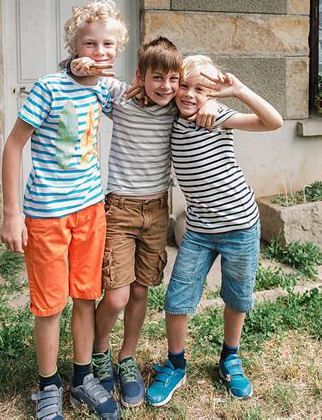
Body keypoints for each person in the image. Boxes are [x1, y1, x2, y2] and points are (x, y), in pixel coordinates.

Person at [69, 37, 217, 409]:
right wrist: (74, 64)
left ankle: (127, 358)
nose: (166, 86)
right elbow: (80, 76)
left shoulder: (175, 108)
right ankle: (100, 352)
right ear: (140, 76)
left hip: (156, 210)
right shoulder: (120, 97)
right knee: (116, 293)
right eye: (157, 78)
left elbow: (203, 99)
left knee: (139, 291)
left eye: (173, 79)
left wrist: (211, 100)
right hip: (119, 208)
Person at [1, 0, 126, 420]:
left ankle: (83, 376)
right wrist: (11, 213)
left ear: (118, 48)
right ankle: (48, 386)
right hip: (47, 216)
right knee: (50, 304)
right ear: (73, 45)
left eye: (108, 43)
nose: (99, 51)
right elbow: (14, 145)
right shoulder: (48, 87)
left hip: (91, 212)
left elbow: (136, 103)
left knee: (85, 298)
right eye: (89, 43)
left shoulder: (105, 89)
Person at [146, 55, 283, 407]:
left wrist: (237, 91)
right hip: (199, 230)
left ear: (212, 94)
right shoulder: (171, 116)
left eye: (200, 90)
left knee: (237, 297)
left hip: (240, 226)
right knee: (177, 298)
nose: (190, 95)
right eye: (184, 86)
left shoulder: (219, 116)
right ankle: (176, 364)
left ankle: (230, 358)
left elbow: (273, 122)